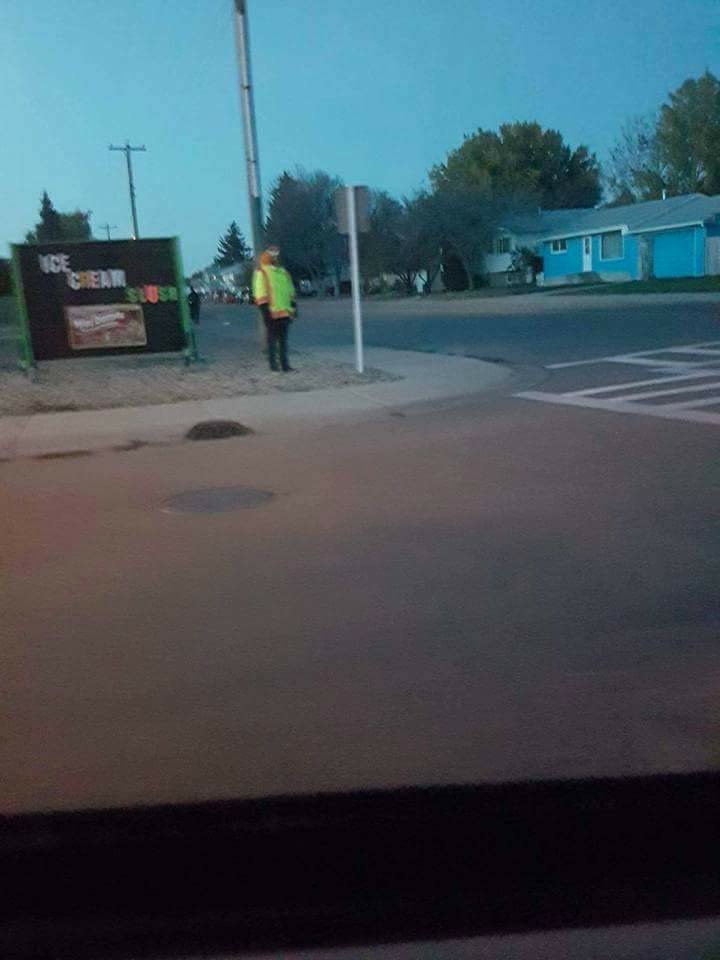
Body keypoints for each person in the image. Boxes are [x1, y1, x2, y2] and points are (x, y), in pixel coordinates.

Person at [252, 246, 297, 372]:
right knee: (272, 341)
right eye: (273, 255)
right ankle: (274, 365)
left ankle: (285, 365)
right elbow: (260, 294)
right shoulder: (262, 272)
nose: (275, 258)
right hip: (271, 313)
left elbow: (290, 292)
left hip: (284, 313)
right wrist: (265, 312)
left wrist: (293, 308)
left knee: (283, 341)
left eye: (276, 255)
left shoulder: (283, 272)